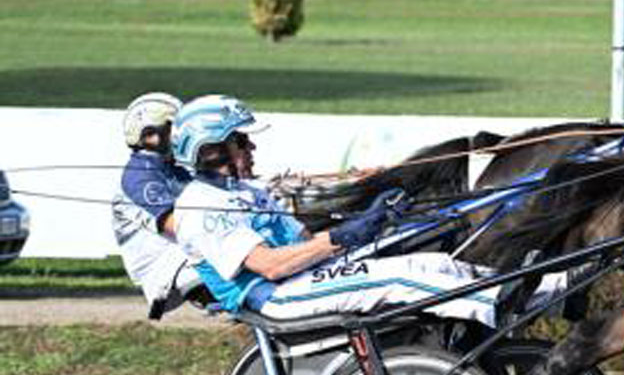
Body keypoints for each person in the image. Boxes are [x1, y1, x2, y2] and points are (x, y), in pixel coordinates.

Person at [169, 94, 500, 329]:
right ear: (209, 150)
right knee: (401, 280)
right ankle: (498, 309)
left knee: (434, 263)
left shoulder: (248, 190)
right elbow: (271, 266)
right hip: (276, 297)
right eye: (240, 141)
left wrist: (368, 222)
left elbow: (304, 241)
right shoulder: (201, 208)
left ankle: (541, 290)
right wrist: (342, 236)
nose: (251, 147)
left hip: (304, 279)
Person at [110, 92, 204, 319]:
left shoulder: (173, 170)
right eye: (176, 129)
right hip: (166, 269)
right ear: (151, 136)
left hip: (186, 255)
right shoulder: (138, 178)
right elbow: (175, 225)